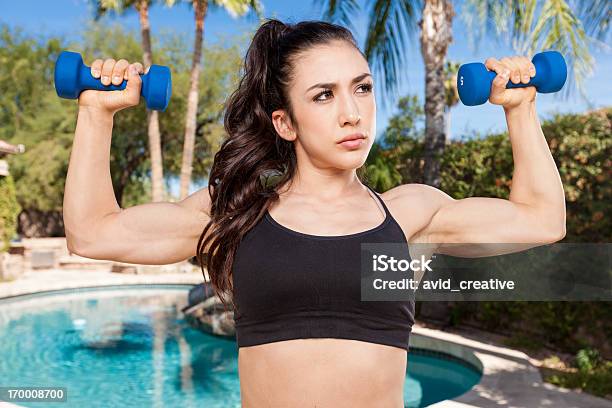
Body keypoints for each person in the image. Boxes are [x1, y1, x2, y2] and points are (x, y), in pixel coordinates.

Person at [63, 18, 566, 408]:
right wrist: (95, 113)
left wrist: (520, 110)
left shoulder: (410, 213)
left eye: (362, 87)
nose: (352, 112)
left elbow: (541, 220)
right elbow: (92, 233)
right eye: (323, 95)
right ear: (284, 122)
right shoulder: (239, 211)